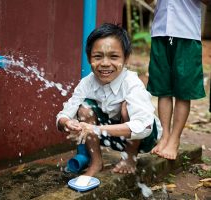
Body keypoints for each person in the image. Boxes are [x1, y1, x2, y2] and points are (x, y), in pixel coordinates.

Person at [56, 23, 162, 176]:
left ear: (126, 58)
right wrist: (67, 122)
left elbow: (144, 127)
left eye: (113, 56)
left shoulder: (132, 83)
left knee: (126, 107)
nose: (105, 63)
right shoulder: (87, 83)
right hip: (110, 137)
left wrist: (96, 129)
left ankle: (130, 157)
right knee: (84, 108)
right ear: (89, 58)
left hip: (144, 139)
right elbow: (64, 114)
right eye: (98, 56)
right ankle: (96, 162)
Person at [145, 0, 207, 160]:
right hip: (160, 31)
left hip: (187, 33)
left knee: (183, 91)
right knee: (162, 89)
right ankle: (165, 136)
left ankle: (175, 139)